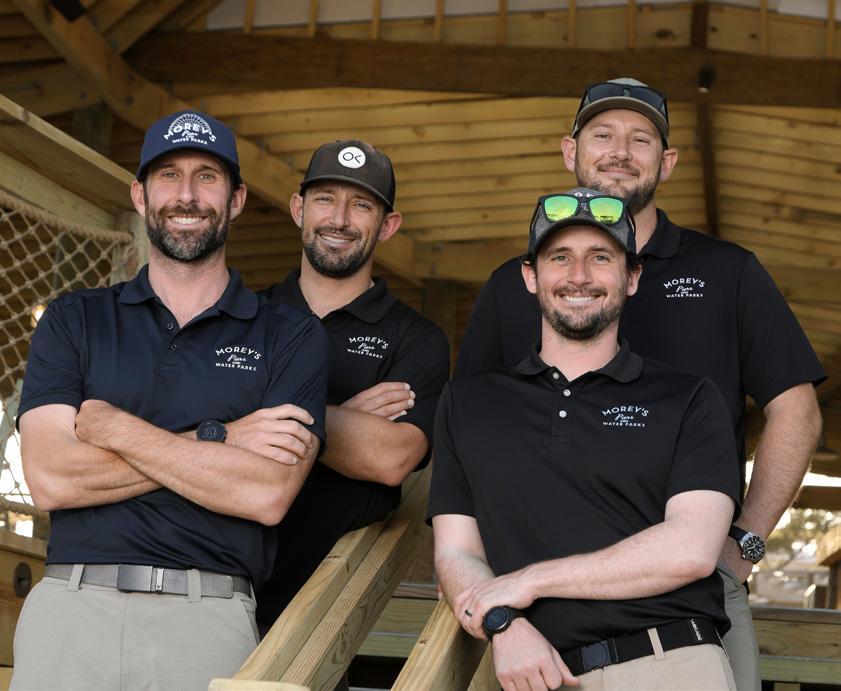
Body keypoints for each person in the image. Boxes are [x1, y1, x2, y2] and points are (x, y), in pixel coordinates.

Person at [454, 79, 825, 690]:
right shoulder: (509, 286)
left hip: (691, 583)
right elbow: (468, 435)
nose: (620, 152)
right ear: (570, 151)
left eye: (641, 139)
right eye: (603, 135)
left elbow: (797, 410)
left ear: (667, 161)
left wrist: (745, 541)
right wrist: (484, 578)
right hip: (531, 599)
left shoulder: (727, 271)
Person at [12, 110, 328, 691]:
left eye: (207, 177)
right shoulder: (74, 319)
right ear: (140, 195)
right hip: (72, 608)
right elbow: (52, 478)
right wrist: (224, 436)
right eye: (168, 175)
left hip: (207, 616)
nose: (187, 195)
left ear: (236, 199)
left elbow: (266, 493)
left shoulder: (291, 335)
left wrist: (114, 428)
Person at [429, 187, 741, 691]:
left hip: (667, 664)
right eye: (560, 257)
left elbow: (692, 548)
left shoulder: (688, 399)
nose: (579, 276)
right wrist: (504, 624)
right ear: (530, 276)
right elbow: (456, 552)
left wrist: (529, 582)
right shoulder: (468, 402)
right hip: (532, 673)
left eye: (600, 257)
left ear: (632, 277)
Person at [251, 140, 450, 629]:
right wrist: (345, 418)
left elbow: (390, 459)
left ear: (388, 225)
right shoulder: (245, 317)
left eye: (361, 205)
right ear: (298, 209)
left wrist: (258, 413)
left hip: (327, 606)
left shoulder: (416, 338)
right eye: (324, 198)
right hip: (225, 583)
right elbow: (197, 422)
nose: (338, 219)